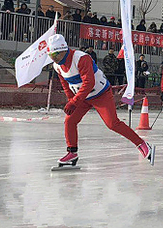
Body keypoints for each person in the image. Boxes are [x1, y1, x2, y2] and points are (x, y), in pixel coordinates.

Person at [47, 34, 155, 166]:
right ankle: (72, 153)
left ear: (64, 50)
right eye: (51, 56)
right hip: (82, 97)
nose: (54, 59)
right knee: (69, 121)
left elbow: (89, 83)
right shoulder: (57, 66)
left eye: (56, 55)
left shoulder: (81, 58)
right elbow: (65, 84)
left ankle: (142, 144)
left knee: (112, 123)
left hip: (100, 94)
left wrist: (74, 102)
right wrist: (71, 100)